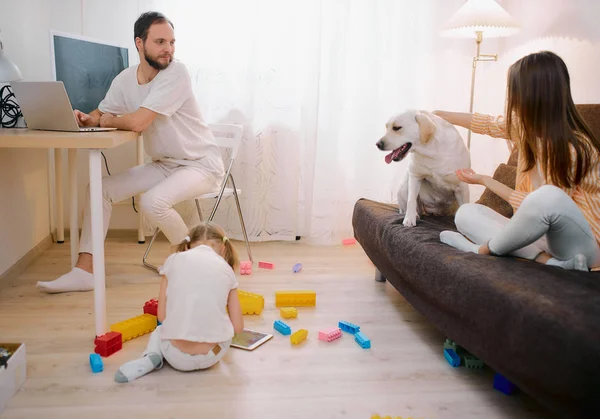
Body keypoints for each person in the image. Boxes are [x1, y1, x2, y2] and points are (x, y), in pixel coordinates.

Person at [37, 12, 225, 293]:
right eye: (160, 41)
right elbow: (101, 112)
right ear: (140, 43)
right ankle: (85, 271)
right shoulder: (125, 79)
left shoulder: (176, 73)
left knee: (152, 202)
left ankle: (193, 262)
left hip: (201, 164)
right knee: (99, 188)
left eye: (172, 42)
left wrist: (107, 120)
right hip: (165, 164)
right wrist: (84, 118)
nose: (168, 49)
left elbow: (137, 122)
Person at [434, 51, 600, 271]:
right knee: (467, 213)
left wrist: (486, 181)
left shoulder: (574, 148)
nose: (510, 98)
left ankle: (481, 250)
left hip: (582, 244)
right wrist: (438, 115)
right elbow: (488, 123)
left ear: (532, 95)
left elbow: (543, 210)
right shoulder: (526, 130)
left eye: (513, 90)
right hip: (542, 239)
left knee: (548, 196)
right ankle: (551, 263)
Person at [115, 222, 244, 383]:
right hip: (212, 354)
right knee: (224, 329)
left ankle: (151, 356)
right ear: (224, 248)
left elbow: (162, 317)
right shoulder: (227, 270)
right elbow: (238, 327)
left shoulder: (172, 261)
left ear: (187, 246)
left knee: (158, 331)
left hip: (175, 356)